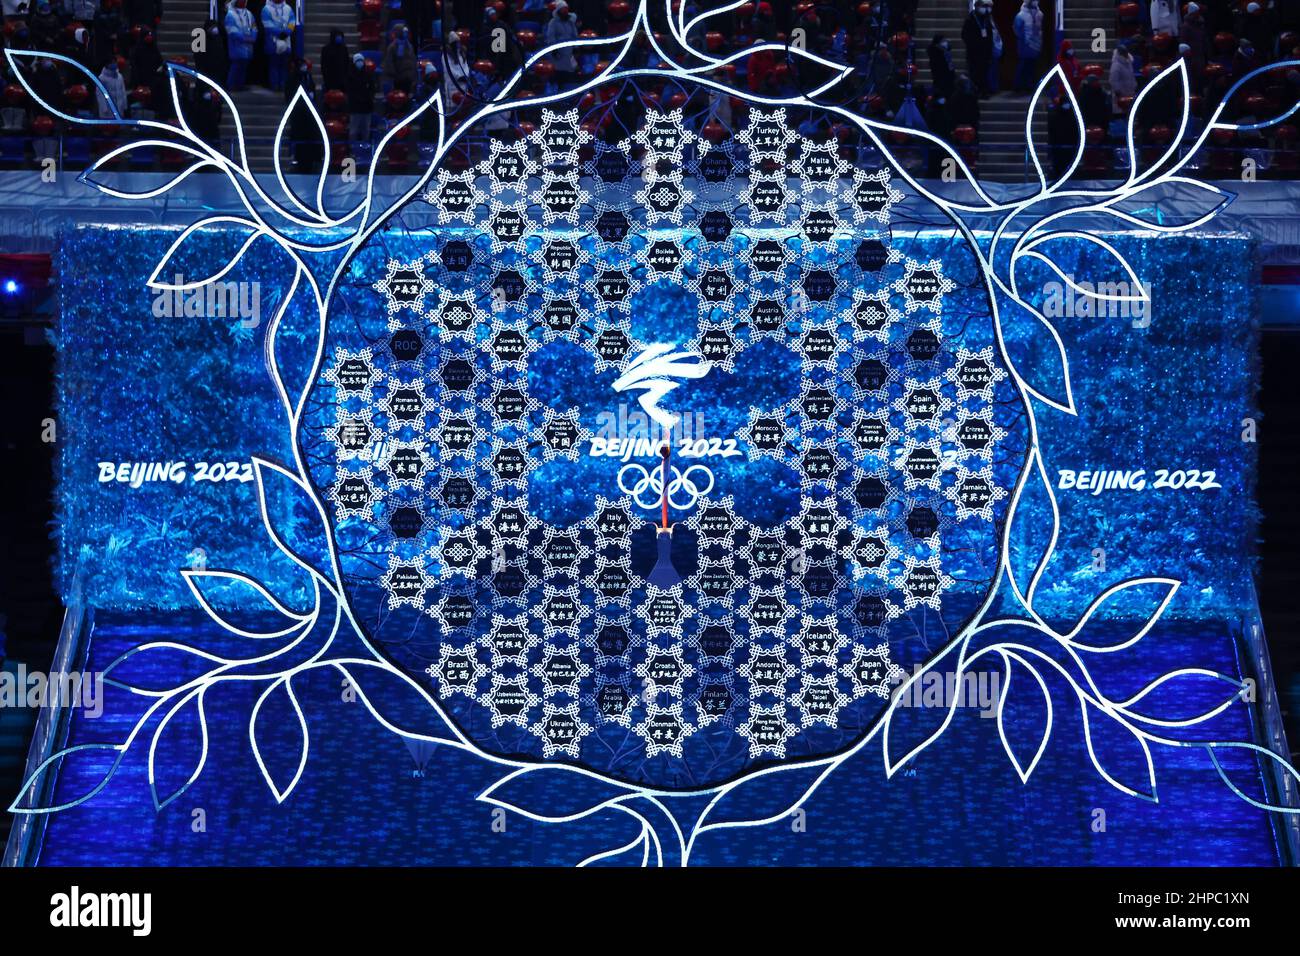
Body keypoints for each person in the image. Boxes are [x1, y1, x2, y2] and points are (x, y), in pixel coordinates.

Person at [261, 0, 297, 92]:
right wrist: (280, 33)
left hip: (286, 41)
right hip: (272, 42)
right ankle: (275, 85)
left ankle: (283, 85)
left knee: (284, 65)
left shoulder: (288, 8)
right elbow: (267, 25)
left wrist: (288, 32)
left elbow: (292, 21)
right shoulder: (266, 9)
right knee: (274, 65)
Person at [962, 0, 994, 97]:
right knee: (975, 74)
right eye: (983, 6)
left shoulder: (986, 19)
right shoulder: (970, 20)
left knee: (984, 73)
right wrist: (974, 45)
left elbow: (990, 35)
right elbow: (965, 35)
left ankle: (984, 91)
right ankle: (976, 91)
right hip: (974, 53)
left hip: (985, 52)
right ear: (977, 6)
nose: (985, 9)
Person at [224, 0, 257, 91]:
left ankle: (240, 86)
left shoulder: (249, 14)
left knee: (244, 67)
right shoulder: (230, 15)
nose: (244, 1)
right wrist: (245, 38)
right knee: (235, 66)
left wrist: (253, 36)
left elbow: (254, 27)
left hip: (248, 46)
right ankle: (231, 86)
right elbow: (231, 31)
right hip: (237, 45)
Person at [545, 0, 579, 86]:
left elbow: (574, 35)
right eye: (563, 9)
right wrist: (554, 49)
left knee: (569, 75)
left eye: (566, 9)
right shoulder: (553, 22)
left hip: (569, 52)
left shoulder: (571, 22)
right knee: (558, 75)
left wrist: (576, 47)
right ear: (559, 11)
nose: (565, 11)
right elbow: (550, 36)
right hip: (558, 53)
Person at [1013, 0, 1043, 93]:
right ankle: (1018, 86)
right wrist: (1025, 41)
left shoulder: (1040, 14)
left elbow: (1040, 29)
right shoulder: (1020, 15)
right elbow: (1017, 30)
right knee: (1023, 66)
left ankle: (1029, 86)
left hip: (1036, 45)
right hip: (1025, 45)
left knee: (1032, 67)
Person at [346, 53, 376, 146]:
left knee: (366, 130)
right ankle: (352, 148)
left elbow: (372, 89)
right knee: (353, 131)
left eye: (361, 61)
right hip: (355, 107)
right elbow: (349, 91)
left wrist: (368, 98)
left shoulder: (368, 75)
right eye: (358, 61)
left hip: (366, 107)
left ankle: (365, 149)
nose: (360, 63)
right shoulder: (350, 76)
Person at [381, 24, 416, 93]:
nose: (405, 34)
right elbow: (389, 62)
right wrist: (394, 74)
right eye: (404, 32)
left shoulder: (409, 46)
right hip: (398, 77)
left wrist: (413, 74)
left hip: (408, 76)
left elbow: (413, 60)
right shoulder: (392, 47)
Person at [195, 18, 229, 83]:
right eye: (212, 27)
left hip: (218, 68)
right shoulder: (201, 38)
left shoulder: (219, 37)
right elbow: (198, 56)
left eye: (215, 27)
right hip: (206, 69)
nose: (214, 29)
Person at [1109, 43, 1136, 114]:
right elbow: (1113, 81)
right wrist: (1119, 94)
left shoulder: (1129, 63)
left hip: (1130, 94)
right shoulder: (1116, 65)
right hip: (1121, 98)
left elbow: (1131, 77)